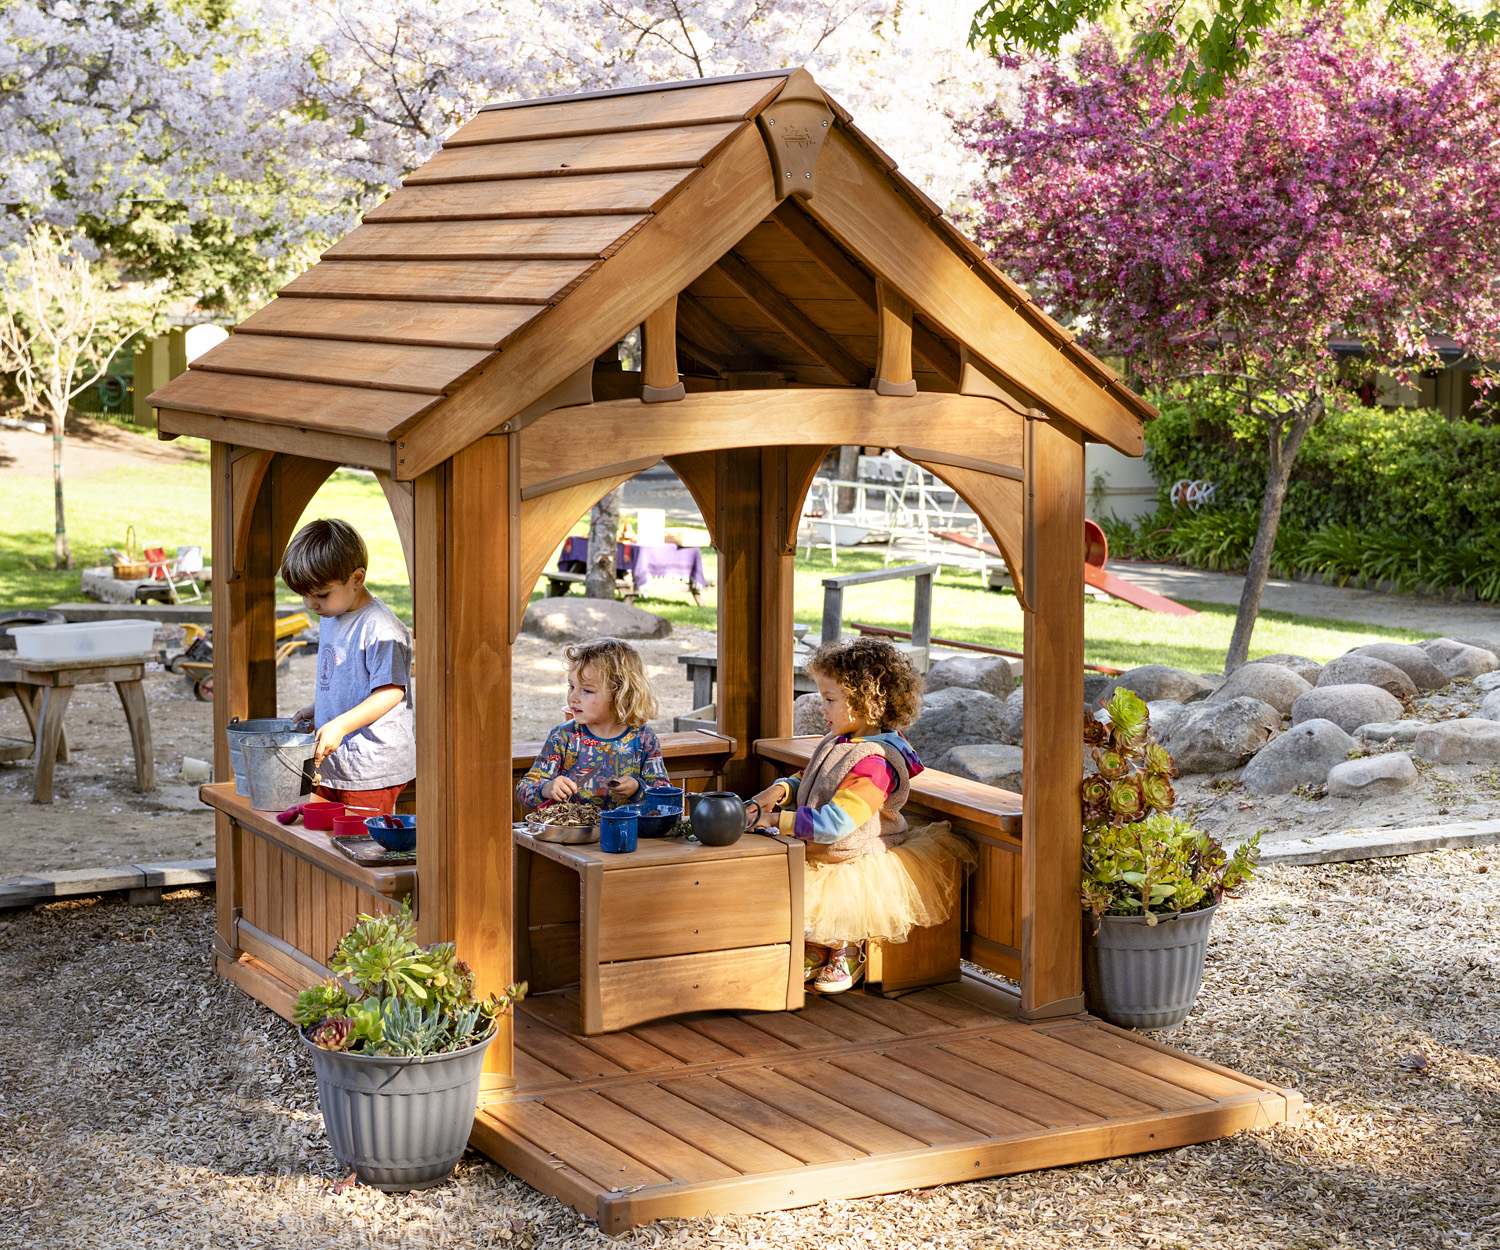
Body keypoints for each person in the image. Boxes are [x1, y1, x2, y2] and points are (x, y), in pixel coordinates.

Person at [748, 636, 976, 994]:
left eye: (829, 699)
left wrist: (777, 821)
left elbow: (837, 825)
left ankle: (847, 949)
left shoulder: (875, 762)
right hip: (822, 847)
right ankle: (820, 945)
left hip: (853, 855)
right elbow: (814, 778)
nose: (821, 707)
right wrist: (779, 792)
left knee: (844, 906)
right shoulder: (840, 739)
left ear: (867, 702)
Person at [282, 518, 414, 817]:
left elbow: (391, 692)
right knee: (324, 841)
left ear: (357, 578)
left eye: (321, 594)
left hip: (370, 766)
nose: (310, 604)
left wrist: (340, 725)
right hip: (334, 763)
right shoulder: (331, 615)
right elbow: (350, 682)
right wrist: (316, 708)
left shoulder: (382, 629)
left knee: (359, 844)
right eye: (304, 595)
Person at [517, 637, 668, 812]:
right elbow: (524, 789)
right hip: (572, 835)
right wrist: (546, 789)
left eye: (587, 690)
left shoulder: (644, 738)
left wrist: (637, 789)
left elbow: (664, 793)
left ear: (621, 694)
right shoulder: (563, 736)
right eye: (571, 686)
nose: (573, 697)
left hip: (628, 835)